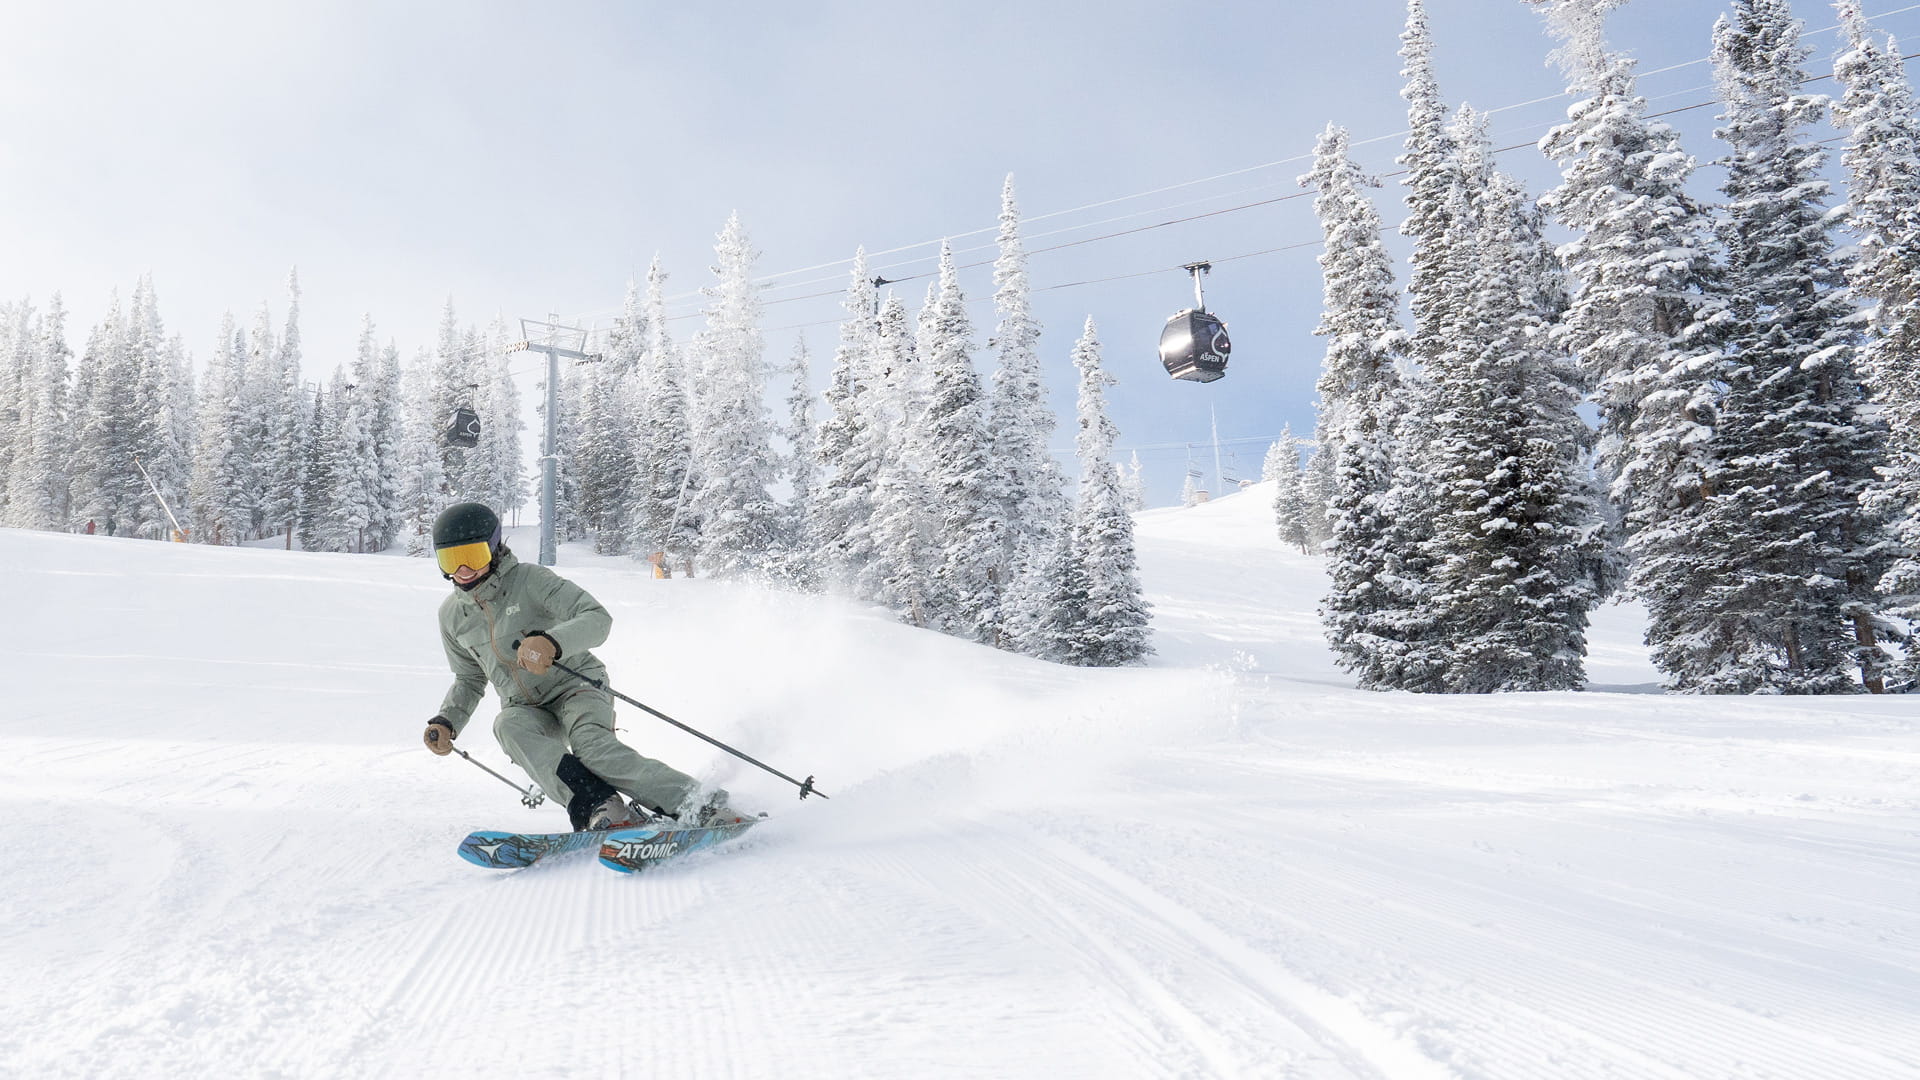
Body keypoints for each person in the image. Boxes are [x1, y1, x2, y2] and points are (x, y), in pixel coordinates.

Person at [421, 501, 747, 831]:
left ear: (493, 547)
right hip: (525, 706)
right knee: (507, 725)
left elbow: (596, 618)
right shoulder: (451, 616)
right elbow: (468, 678)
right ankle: (600, 805)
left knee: (594, 751)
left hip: (576, 688)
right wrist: (448, 720)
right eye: (451, 560)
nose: (463, 570)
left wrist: (551, 642)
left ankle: (699, 804)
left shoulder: (530, 580)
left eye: (473, 556)